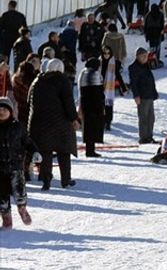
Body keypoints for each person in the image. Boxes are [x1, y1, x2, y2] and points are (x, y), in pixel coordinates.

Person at [27, 59, 78, 190]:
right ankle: (65, 179)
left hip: (40, 123)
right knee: (64, 151)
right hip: (60, 122)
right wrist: (74, 118)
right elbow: (68, 102)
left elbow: (29, 102)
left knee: (45, 151)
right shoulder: (62, 80)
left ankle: (46, 180)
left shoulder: (37, 81)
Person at [0, 96, 39, 228]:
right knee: (2, 197)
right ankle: (6, 218)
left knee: (19, 192)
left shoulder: (18, 127)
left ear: (10, 111)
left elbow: (28, 143)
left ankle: (22, 209)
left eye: (5, 109)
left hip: (16, 167)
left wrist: (35, 152)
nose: (1, 111)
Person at [77, 57, 106, 157]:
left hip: (85, 103)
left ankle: (89, 149)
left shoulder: (83, 73)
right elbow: (99, 91)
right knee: (93, 128)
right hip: (95, 104)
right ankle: (90, 150)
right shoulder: (95, 74)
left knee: (87, 128)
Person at [129, 48, 158, 143]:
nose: (146, 58)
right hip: (142, 96)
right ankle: (143, 137)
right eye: (144, 56)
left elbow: (151, 80)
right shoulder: (134, 67)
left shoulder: (146, 65)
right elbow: (133, 83)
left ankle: (149, 136)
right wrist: (136, 95)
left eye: (146, 56)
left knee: (151, 118)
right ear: (138, 57)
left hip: (149, 94)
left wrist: (155, 92)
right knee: (143, 118)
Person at [100, 45, 125, 131]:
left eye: (108, 53)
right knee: (101, 106)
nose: (106, 55)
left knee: (109, 106)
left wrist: (123, 87)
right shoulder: (99, 62)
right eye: (104, 53)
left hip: (109, 88)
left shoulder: (114, 63)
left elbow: (118, 75)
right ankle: (102, 122)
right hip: (100, 87)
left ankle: (108, 122)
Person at [0, 0, 28, 65]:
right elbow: (25, 28)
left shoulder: (5, 15)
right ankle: (18, 69)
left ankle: (5, 69)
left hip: (6, 38)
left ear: (9, 5)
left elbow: (0, 27)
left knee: (6, 55)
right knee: (18, 56)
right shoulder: (21, 16)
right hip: (17, 38)